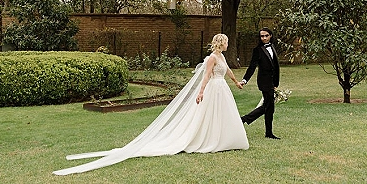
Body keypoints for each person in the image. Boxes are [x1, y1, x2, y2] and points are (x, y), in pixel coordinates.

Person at [53, 33, 248, 175]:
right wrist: (201, 92)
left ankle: (224, 138)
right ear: (220, 43)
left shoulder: (222, 57)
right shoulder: (212, 58)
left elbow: (229, 71)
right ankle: (209, 139)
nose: (228, 45)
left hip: (223, 89)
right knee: (208, 115)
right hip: (213, 88)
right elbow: (205, 77)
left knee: (223, 114)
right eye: (226, 42)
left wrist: (236, 82)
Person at [240, 27, 281, 139]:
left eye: (266, 35)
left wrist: (276, 83)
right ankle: (244, 119)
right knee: (269, 106)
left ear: (270, 35)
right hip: (264, 82)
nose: (264, 38)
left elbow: (276, 67)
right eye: (262, 36)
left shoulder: (272, 47)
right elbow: (252, 66)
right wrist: (245, 80)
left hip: (272, 83)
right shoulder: (257, 50)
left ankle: (268, 132)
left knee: (269, 108)